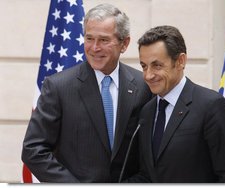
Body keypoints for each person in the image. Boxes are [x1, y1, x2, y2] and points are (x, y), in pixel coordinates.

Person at [21, 3, 152, 183]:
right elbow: (33, 150)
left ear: (124, 43)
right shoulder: (58, 86)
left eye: (104, 40)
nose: (94, 47)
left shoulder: (143, 85)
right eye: (89, 38)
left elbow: (149, 153)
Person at [126, 25, 225, 183]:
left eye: (157, 65)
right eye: (144, 66)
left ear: (180, 61)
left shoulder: (212, 106)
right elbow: (148, 175)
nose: (148, 75)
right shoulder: (147, 110)